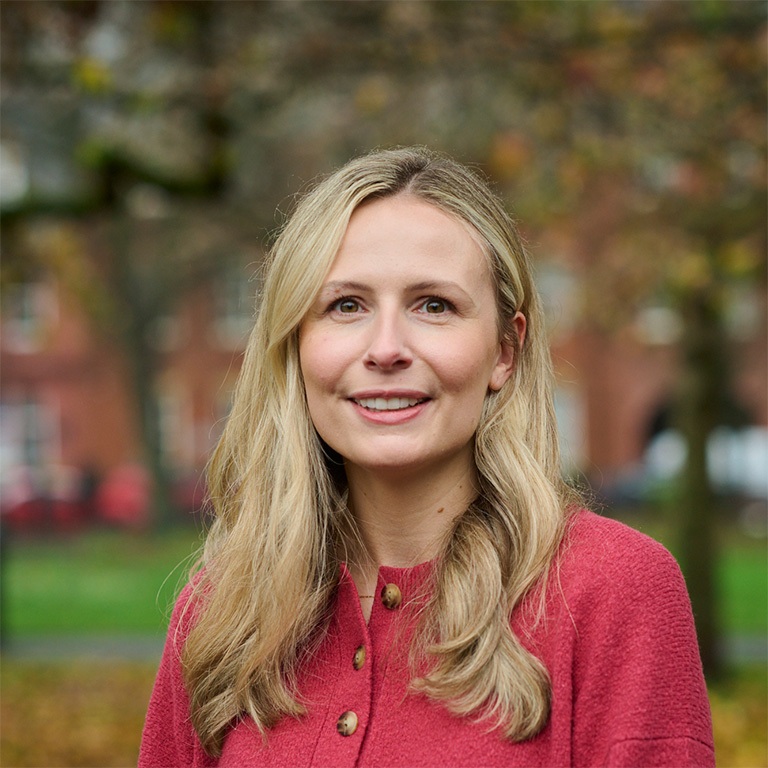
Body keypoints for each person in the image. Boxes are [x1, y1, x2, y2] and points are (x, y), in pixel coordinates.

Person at [139, 147, 714, 767]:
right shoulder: (223, 613)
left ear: (505, 351)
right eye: (346, 305)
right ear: (296, 345)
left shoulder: (613, 590)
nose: (386, 348)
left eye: (434, 305)